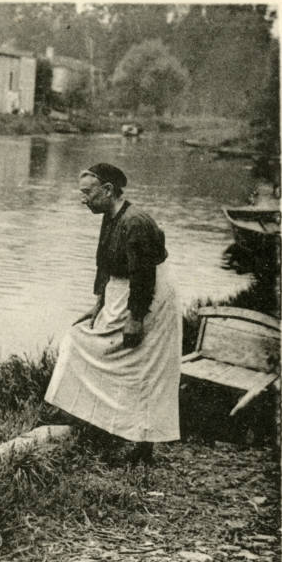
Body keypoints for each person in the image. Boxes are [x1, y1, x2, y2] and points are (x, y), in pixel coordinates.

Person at [44, 163, 181, 464]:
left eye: (87, 193)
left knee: (144, 367)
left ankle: (143, 444)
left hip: (148, 299)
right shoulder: (110, 216)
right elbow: (103, 265)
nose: (83, 199)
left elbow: (143, 275)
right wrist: (98, 304)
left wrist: (136, 318)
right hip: (121, 293)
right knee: (82, 340)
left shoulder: (135, 223)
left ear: (107, 190)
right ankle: (105, 424)